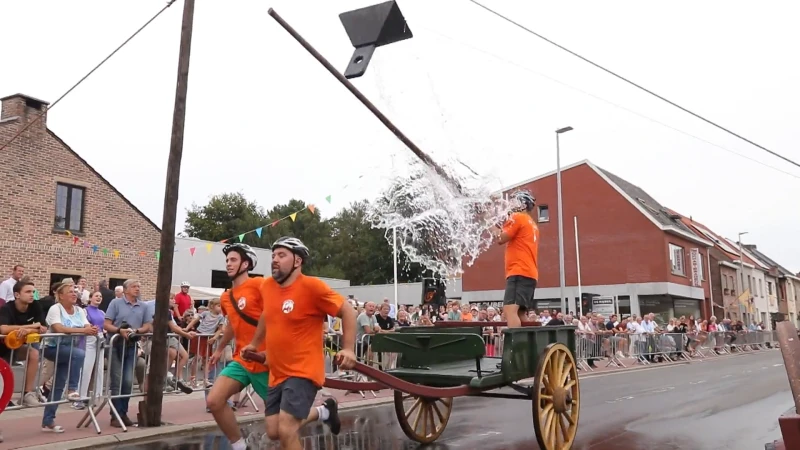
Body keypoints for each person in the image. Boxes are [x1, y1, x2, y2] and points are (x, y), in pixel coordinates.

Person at [244, 236, 357, 450]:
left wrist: (349, 349)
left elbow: (347, 311)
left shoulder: (312, 287)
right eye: (274, 255)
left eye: (282, 255)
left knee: (287, 428)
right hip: (277, 372)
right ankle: (325, 411)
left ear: (297, 261)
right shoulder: (267, 286)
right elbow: (267, 315)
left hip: (303, 370)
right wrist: (254, 343)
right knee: (274, 431)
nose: (275, 259)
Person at [205, 243, 269, 450]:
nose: (228, 264)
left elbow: (275, 315)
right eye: (227, 261)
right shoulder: (225, 297)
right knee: (214, 401)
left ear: (246, 263)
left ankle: (323, 411)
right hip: (242, 360)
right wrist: (218, 349)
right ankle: (240, 446)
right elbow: (232, 324)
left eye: (233, 260)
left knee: (281, 425)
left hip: (267, 360)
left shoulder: (260, 284)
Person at [42, 280, 94, 432]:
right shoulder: (55, 308)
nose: (74, 293)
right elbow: (58, 327)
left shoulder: (79, 310)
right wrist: (83, 331)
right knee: (79, 354)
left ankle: (48, 420)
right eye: (70, 291)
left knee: (58, 385)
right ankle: (72, 389)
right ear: (61, 295)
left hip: (69, 350)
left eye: (75, 291)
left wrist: (90, 329)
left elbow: (87, 326)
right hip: (52, 347)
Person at [103, 279, 152, 428]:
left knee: (128, 381)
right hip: (115, 345)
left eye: (138, 286)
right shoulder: (115, 303)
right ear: (125, 290)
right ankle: (115, 415)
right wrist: (119, 331)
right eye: (134, 287)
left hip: (131, 346)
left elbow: (147, 326)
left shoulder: (143, 306)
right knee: (117, 382)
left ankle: (123, 413)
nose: (137, 289)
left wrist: (135, 331)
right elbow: (106, 324)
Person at [492, 190, 540, 328]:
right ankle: (529, 345)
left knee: (510, 310)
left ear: (523, 205)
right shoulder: (532, 223)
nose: (511, 205)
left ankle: (516, 346)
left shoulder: (517, 217)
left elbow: (501, 238)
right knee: (520, 313)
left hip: (518, 271)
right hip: (529, 272)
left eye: (514, 201)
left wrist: (489, 224)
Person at [0, 280, 46, 407]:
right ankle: (4, 398)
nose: (32, 294)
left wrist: (27, 330)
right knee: (3, 374)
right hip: (2, 346)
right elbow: (3, 329)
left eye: (33, 292)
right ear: (17, 295)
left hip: (16, 345)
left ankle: (27, 394)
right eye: (28, 292)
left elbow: (43, 328)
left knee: (34, 354)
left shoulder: (35, 305)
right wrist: (31, 326)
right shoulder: (6, 308)